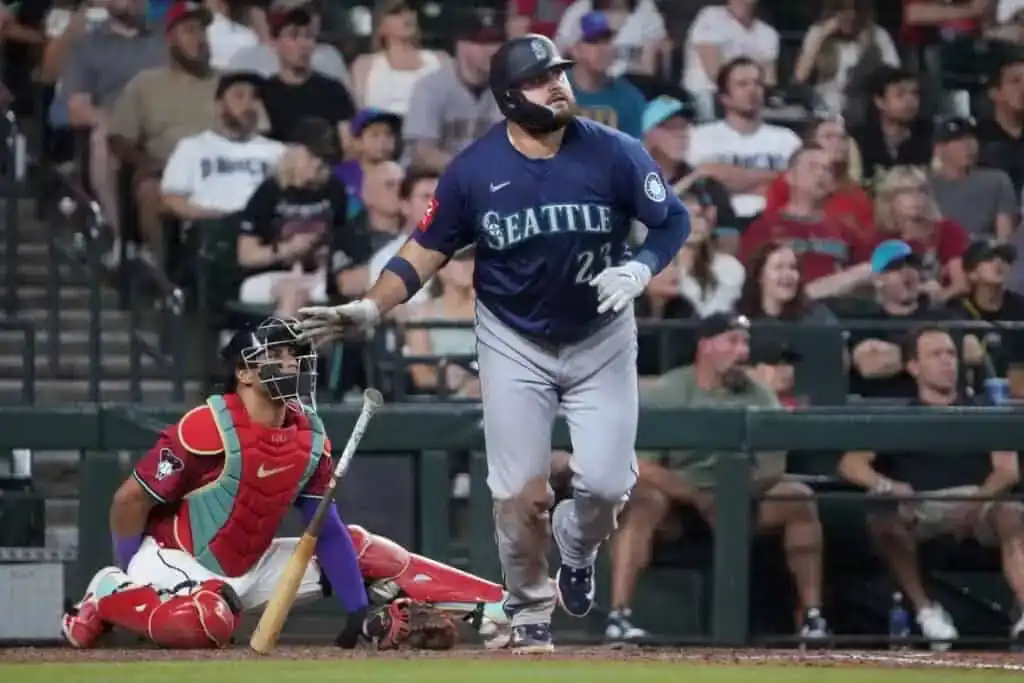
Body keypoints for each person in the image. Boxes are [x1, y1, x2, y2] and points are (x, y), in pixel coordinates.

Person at [296, 34, 690, 651]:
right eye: (541, 78)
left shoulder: (615, 152)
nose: (558, 84)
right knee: (516, 493)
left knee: (610, 485)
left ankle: (578, 547)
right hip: (514, 339)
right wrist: (373, 305)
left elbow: (674, 219)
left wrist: (643, 266)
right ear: (510, 98)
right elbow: (426, 248)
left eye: (559, 73)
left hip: (601, 337)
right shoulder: (476, 170)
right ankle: (530, 610)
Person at [60, 318, 415, 650]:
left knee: (362, 552)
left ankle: (470, 606)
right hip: (177, 557)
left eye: (293, 355)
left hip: (251, 569)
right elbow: (129, 500)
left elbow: (324, 527)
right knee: (206, 621)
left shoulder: (308, 435)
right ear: (244, 373)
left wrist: (356, 609)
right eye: (274, 356)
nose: (290, 363)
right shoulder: (207, 427)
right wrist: (131, 569)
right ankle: (109, 590)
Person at [607, 313, 829, 643]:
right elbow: (639, 464)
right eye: (733, 341)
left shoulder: (760, 395)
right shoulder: (670, 390)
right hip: (677, 506)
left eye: (745, 343)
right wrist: (696, 496)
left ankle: (813, 618)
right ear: (706, 346)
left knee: (798, 498)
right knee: (642, 499)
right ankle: (619, 616)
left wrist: (734, 497)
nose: (742, 352)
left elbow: (772, 465)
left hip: (740, 501)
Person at [838, 326, 1024, 650]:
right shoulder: (899, 418)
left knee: (1011, 513)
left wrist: (977, 502)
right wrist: (889, 485)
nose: (946, 362)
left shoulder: (985, 410)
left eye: (951, 354)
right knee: (881, 516)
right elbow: (850, 464)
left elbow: (1007, 472)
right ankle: (927, 611)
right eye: (935, 355)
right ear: (913, 366)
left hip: (978, 502)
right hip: (923, 506)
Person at [160, 72, 284, 221]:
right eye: (239, 96)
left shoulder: (278, 151)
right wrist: (214, 216)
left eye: (255, 97)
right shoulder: (192, 147)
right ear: (220, 105)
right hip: (209, 227)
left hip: (262, 228)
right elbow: (172, 199)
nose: (249, 104)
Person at [566, 11, 646, 138]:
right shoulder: (549, 92)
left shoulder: (630, 99)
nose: (603, 48)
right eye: (593, 42)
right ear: (574, 50)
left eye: (607, 41)